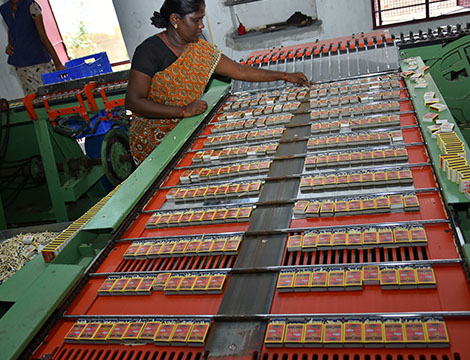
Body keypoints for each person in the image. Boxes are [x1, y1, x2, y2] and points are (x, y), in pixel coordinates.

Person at [125, 0, 308, 166]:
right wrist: (181, 111)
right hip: (154, 144)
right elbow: (134, 101)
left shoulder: (199, 48)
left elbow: (240, 71)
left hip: (186, 130)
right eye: (196, 20)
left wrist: (285, 76)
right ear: (175, 19)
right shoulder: (149, 51)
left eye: (202, 19)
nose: (201, 25)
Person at [1, 0, 65, 94]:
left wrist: (58, 64)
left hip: (38, 61)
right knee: (34, 99)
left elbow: (43, 37)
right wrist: (10, 45)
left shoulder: (31, 6)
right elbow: (12, 28)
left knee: (51, 94)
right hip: (20, 65)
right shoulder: (4, 9)